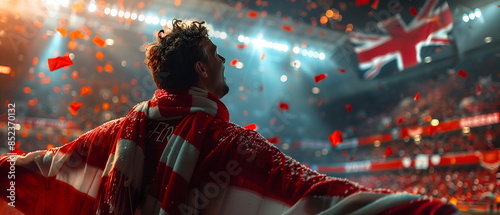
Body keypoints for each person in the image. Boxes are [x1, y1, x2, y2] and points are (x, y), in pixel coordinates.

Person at [0, 19, 457, 215]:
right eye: (217, 55)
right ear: (201, 69)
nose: (225, 62)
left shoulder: (112, 137)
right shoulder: (233, 146)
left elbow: (34, 170)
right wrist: (429, 210)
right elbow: (322, 200)